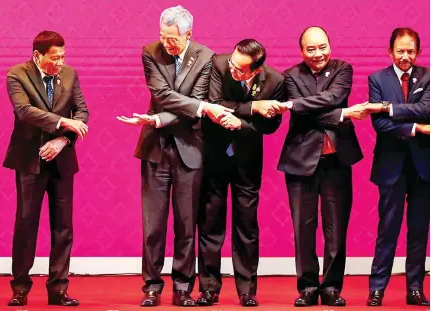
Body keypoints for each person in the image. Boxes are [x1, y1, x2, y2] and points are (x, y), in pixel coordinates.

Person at [117, 5, 232, 307]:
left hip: (190, 148)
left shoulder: (206, 56)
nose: (166, 44)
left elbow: (195, 102)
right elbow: (161, 95)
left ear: (188, 34)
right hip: (155, 149)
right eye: (163, 36)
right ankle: (152, 287)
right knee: (153, 226)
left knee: (186, 224)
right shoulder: (150, 52)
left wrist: (159, 118)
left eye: (173, 39)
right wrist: (199, 108)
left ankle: (182, 287)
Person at [277, 26, 363, 307]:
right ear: (302, 51)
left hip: (336, 160)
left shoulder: (342, 69)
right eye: (311, 49)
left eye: (322, 47)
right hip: (300, 160)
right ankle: (308, 287)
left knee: (336, 228)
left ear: (330, 45)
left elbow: (333, 98)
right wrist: (341, 115)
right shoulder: (290, 75)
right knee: (303, 227)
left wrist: (297, 105)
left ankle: (331, 287)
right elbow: (304, 118)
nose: (318, 54)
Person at [4, 30, 89, 307]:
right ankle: (20, 287)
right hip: (30, 158)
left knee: (63, 227)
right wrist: (63, 123)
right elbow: (24, 111)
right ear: (37, 56)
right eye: (55, 58)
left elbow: (82, 112)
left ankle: (58, 289)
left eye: (63, 56)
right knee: (26, 223)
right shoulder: (17, 74)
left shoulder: (70, 74)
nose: (61, 62)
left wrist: (64, 140)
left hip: (62, 159)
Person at [196, 39, 284, 307]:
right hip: (215, 155)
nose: (233, 70)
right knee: (210, 223)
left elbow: (271, 126)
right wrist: (254, 108)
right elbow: (216, 102)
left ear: (256, 71)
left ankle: (247, 290)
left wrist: (242, 124)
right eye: (233, 65)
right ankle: (209, 288)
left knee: (247, 226)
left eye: (241, 70)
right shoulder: (219, 64)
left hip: (247, 159)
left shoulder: (275, 81)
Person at [364, 27, 430, 307]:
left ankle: (415, 288)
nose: (406, 56)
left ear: (418, 51)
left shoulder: (428, 76)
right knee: (387, 230)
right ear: (390, 51)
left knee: (419, 231)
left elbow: (428, 107)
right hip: (390, 166)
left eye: (411, 51)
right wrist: (417, 127)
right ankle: (377, 288)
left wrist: (387, 108)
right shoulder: (377, 78)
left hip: (423, 167)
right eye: (400, 51)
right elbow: (379, 125)